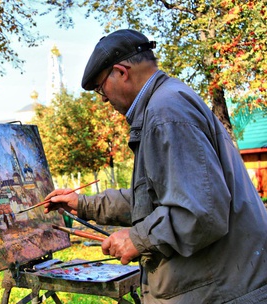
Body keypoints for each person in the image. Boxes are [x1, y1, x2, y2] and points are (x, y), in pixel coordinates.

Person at [43, 29, 267, 303]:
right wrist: (84, 203)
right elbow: (153, 199)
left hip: (219, 290)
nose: (103, 99)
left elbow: (202, 213)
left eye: (101, 88)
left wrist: (137, 239)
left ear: (121, 72)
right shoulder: (166, 102)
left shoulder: (166, 112)